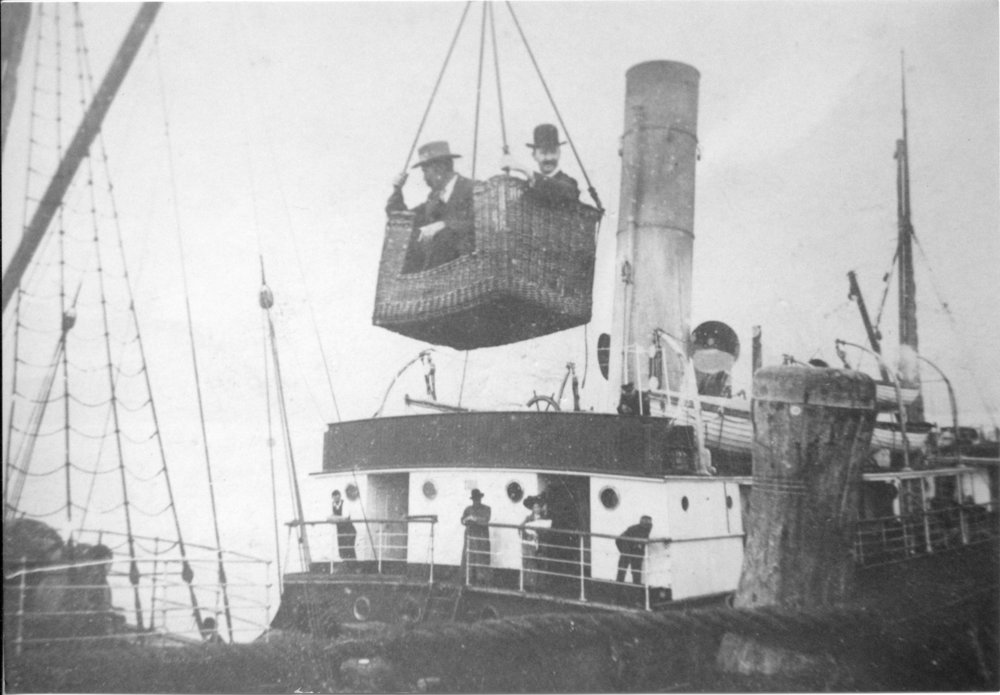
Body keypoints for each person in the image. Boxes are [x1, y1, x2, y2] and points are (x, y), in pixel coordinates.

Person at [387, 141, 475, 273]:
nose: (424, 178)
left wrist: (445, 224)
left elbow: (483, 222)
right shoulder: (433, 199)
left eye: (425, 171)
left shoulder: (473, 189)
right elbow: (402, 219)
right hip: (435, 275)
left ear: (439, 168)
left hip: (466, 268)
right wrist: (397, 190)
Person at [502, 123, 580, 204]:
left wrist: (525, 170)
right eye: (543, 153)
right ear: (534, 156)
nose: (549, 158)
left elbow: (563, 193)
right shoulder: (527, 188)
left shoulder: (570, 184)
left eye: (553, 152)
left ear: (559, 154)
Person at [520, 495, 552, 590]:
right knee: (531, 563)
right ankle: (530, 585)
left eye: (538, 507)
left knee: (542, 563)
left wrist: (539, 532)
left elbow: (547, 530)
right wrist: (528, 533)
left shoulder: (545, 518)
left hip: (541, 544)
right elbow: (521, 528)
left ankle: (541, 585)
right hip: (531, 545)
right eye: (535, 507)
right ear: (532, 508)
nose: (536, 509)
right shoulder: (528, 518)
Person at [461, 489, 492, 583]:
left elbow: (486, 519)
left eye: (478, 499)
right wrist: (466, 519)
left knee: (481, 556)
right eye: (474, 499)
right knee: (469, 555)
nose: (476, 501)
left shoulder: (486, 508)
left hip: (481, 536)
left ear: (480, 498)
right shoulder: (468, 509)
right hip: (470, 535)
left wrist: (474, 518)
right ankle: (467, 576)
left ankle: (481, 578)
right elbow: (462, 520)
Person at [615, 515, 653, 585]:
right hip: (627, 547)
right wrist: (625, 551)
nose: (649, 526)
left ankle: (634, 588)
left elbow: (643, 540)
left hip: (635, 550)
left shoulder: (645, 529)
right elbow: (618, 540)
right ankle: (619, 588)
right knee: (624, 569)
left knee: (635, 570)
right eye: (647, 523)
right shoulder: (633, 529)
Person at [329, 490, 357, 561]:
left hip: (349, 530)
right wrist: (337, 518)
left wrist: (335, 517)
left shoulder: (345, 504)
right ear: (332, 497)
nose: (336, 499)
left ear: (340, 496)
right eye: (334, 497)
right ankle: (346, 566)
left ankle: (354, 566)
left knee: (349, 548)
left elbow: (346, 518)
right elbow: (328, 518)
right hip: (340, 531)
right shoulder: (332, 505)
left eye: (338, 497)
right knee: (341, 550)